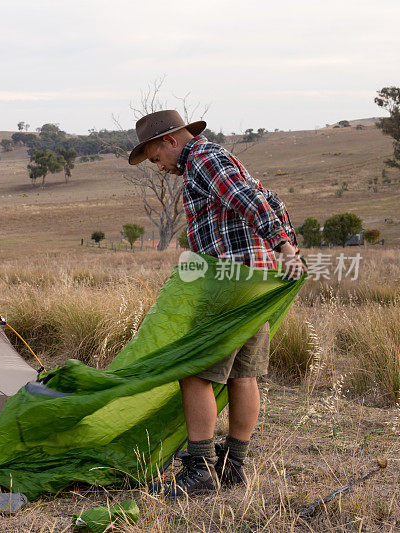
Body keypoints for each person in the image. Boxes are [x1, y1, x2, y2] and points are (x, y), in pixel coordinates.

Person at [128, 110, 307, 498]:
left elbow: (249, 200)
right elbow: (269, 199)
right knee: (243, 375)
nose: (157, 166)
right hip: (252, 282)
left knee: (195, 371)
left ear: (170, 141)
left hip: (228, 282)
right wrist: (285, 245)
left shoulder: (204, 160)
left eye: (155, 156)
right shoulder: (212, 160)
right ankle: (234, 463)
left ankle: (200, 469)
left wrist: (285, 246)